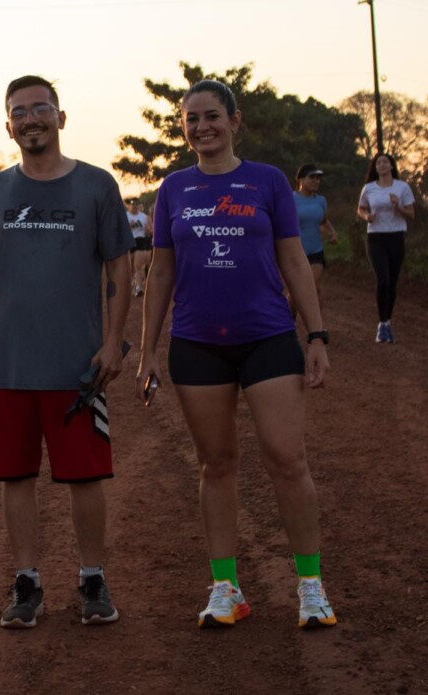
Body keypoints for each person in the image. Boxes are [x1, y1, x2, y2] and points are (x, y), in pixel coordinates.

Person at [0, 75, 133, 629]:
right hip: (7, 361)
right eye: (19, 111)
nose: (30, 118)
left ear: (60, 118)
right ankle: (26, 582)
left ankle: (93, 579)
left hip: (78, 363)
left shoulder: (96, 185)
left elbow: (120, 261)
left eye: (41, 108)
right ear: (8, 126)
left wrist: (113, 341)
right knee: (15, 475)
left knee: (85, 475)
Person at [137, 79, 337, 631]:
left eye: (211, 116)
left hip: (267, 336)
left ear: (234, 120)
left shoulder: (268, 181)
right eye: (191, 119)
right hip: (197, 342)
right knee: (216, 463)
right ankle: (226, 588)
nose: (202, 127)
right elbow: (161, 272)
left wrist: (317, 335)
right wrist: (147, 350)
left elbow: (294, 260)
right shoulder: (173, 189)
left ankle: (311, 585)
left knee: (287, 459)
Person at [357, 153, 416, 343]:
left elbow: (412, 214)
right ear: (375, 168)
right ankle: (382, 325)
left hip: (396, 237)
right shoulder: (369, 188)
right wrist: (367, 216)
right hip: (375, 237)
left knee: (392, 282)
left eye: (385, 162)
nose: (382, 165)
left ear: (391, 166)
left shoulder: (402, 187)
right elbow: (360, 208)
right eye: (378, 163)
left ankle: (388, 321)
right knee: (383, 280)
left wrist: (398, 206)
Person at [293, 163, 338, 310]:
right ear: (300, 179)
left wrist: (332, 233)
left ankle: (317, 324)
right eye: (312, 177)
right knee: (297, 291)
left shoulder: (321, 200)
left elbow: (323, 221)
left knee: (311, 286)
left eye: (318, 178)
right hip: (295, 253)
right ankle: (288, 318)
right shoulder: (290, 199)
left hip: (316, 251)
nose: (316, 181)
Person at [127, 198, 153, 296]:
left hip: (142, 241)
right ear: (129, 205)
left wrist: (148, 230)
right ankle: (134, 283)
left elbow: (150, 230)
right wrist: (128, 226)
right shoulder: (126, 216)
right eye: (133, 204)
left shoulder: (144, 216)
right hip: (130, 241)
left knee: (139, 265)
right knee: (131, 266)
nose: (135, 206)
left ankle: (139, 287)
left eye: (137, 204)